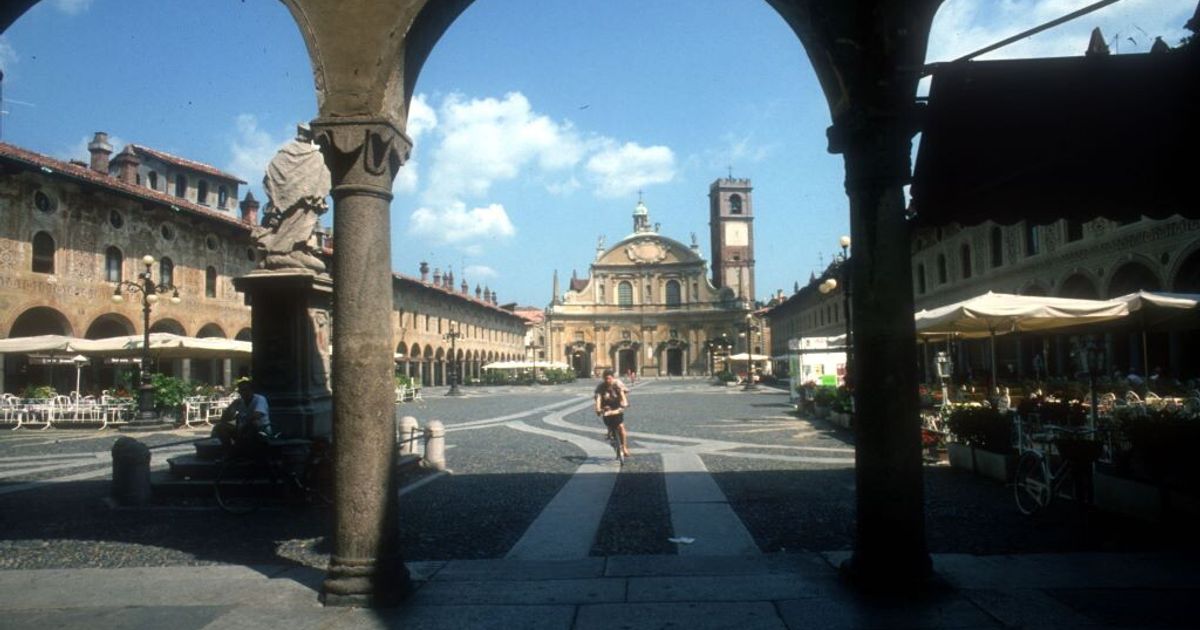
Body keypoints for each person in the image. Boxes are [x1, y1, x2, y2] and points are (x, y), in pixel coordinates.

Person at [212, 380, 272, 455]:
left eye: (246, 389)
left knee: (252, 425)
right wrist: (232, 407)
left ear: (252, 390)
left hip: (260, 431)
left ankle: (241, 453)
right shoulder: (239, 402)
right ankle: (229, 452)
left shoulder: (260, 399)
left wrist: (243, 425)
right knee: (220, 427)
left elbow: (257, 415)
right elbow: (224, 419)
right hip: (241, 431)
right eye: (241, 390)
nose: (244, 392)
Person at [594, 369, 630, 457]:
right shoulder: (601, 387)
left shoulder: (617, 383)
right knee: (608, 422)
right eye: (605, 379)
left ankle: (624, 447)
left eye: (609, 378)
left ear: (613, 378)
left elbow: (622, 394)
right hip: (606, 406)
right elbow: (598, 399)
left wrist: (624, 403)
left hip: (617, 405)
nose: (607, 381)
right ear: (603, 378)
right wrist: (598, 408)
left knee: (621, 426)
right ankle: (610, 430)